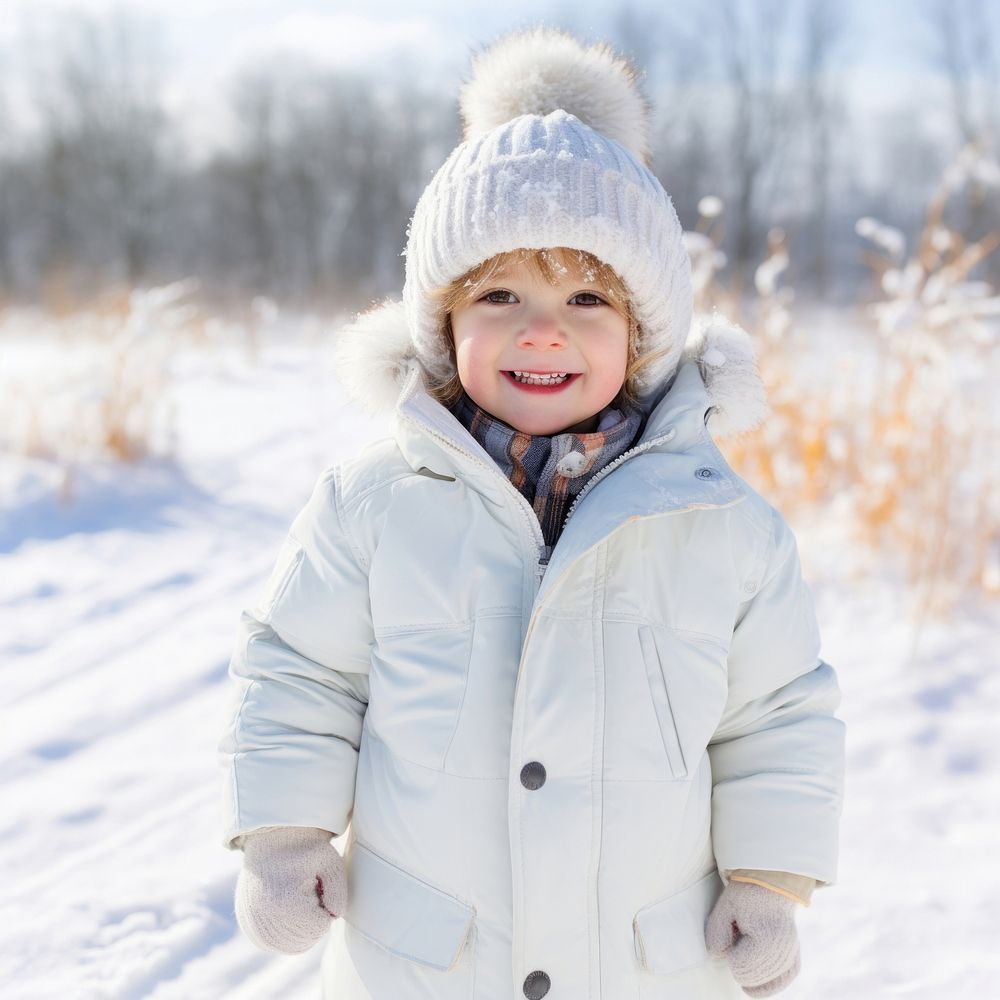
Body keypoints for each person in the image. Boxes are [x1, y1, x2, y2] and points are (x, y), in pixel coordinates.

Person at [218, 26, 845, 1000]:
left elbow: (775, 714)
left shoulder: (721, 525)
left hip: (644, 968)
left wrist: (766, 880)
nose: (542, 328)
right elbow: (297, 670)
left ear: (641, 335)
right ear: (443, 325)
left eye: (588, 296)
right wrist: (283, 833)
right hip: (427, 965)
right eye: (499, 293)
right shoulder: (375, 505)